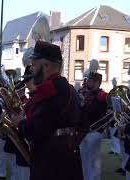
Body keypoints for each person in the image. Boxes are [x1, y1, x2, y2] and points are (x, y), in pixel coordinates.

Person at [12, 41, 84, 180]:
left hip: (50, 162)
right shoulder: (68, 87)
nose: (31, 69)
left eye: (33, 65)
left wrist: (20, 123)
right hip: (65, 157)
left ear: (46, 65)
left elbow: (39, 128)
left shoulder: (50, 89)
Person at [80, 72, 108, 180]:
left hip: (94, 132)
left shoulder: (101, 95)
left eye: (90, 81)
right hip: (84, 131)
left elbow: (94, 112)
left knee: (94, 162)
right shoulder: (88, 93)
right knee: (84, 160)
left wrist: (84, 103)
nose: (87, 83)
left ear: (97, 82)